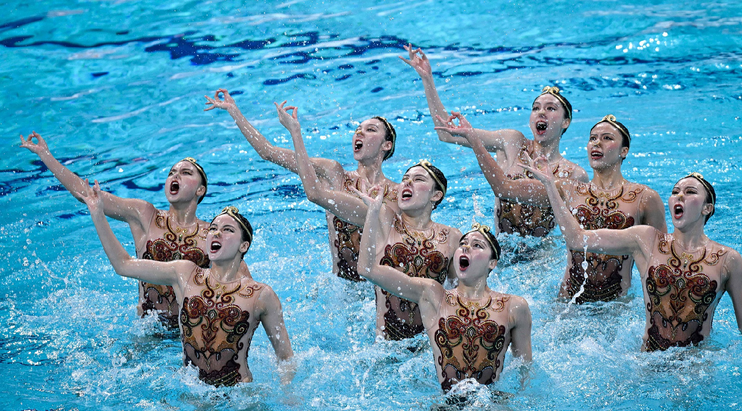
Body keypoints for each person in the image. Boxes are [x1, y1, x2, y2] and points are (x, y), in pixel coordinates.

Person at [525, 157, 742, 350]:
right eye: (675, 191)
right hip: (647, 362)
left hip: (696, 367)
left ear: (707, 208)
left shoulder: (728, 260)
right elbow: (577, 239)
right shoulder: (646, 240)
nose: (679, 196)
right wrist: (549, 185)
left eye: (689, 192)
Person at [19, 132, 248, 328]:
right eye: (171, 173)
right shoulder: (145, 214)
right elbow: (88, 195)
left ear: (200, 190)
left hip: (187, 333)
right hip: (147, 329)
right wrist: (46, 156)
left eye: (186, 173)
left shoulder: (212, 234)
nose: (175, 176)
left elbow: (243, 282)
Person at [274, 103, 462, 340]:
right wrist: (295, 132)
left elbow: (458, 294)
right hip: (351, 297)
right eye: (406, 179)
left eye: (417, 180)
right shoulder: (382, 215)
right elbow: (315, 194)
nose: (359, 133)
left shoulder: (449, 237)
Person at [80, 181, 294, 386]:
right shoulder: (185, 273)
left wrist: (287, 394)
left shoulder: (260, 295)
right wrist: (98, 214)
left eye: (228, 230)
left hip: (240, 396)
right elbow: (123, 265)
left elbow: (285, 358)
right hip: (192, 391)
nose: (216, 232)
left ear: (243, 245)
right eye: (213, 228)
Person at [436, 113, 667, 303]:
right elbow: (504, 188)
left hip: (617, 305)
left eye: (607, 138)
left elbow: (662, 261)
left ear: (624, 151)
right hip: (567, 304)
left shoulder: (645, 198)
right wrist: (475, 143)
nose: (597, 143)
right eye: (593, 138)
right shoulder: (567, 189)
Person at [205, 89, 398, 282]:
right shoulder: (333, 173)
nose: (359, 133)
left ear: (386, 145)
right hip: (339, 287)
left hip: (377, 288)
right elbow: (268, 152)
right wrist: (234, 111)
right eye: (358, 129)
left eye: (370, 130)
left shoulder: (398, 193)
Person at [400, 44, 588, 238]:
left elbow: (579, 232)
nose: (541, 112)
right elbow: (447, 135)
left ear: (566, 122)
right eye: (536, 108)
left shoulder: (575, 174)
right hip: (500, 248)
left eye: (550, 108)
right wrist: (428, 79)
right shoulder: (512, 142)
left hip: (541, 257)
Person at [356, 187, 532, 389]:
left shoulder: (514, 307)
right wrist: (373, 211)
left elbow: (524, 370)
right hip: (444, 406)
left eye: (477, 246)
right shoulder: (433, 295)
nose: (466, 247)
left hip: (492, 404)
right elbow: (367, 269)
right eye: (463, 244)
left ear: (492, 263)